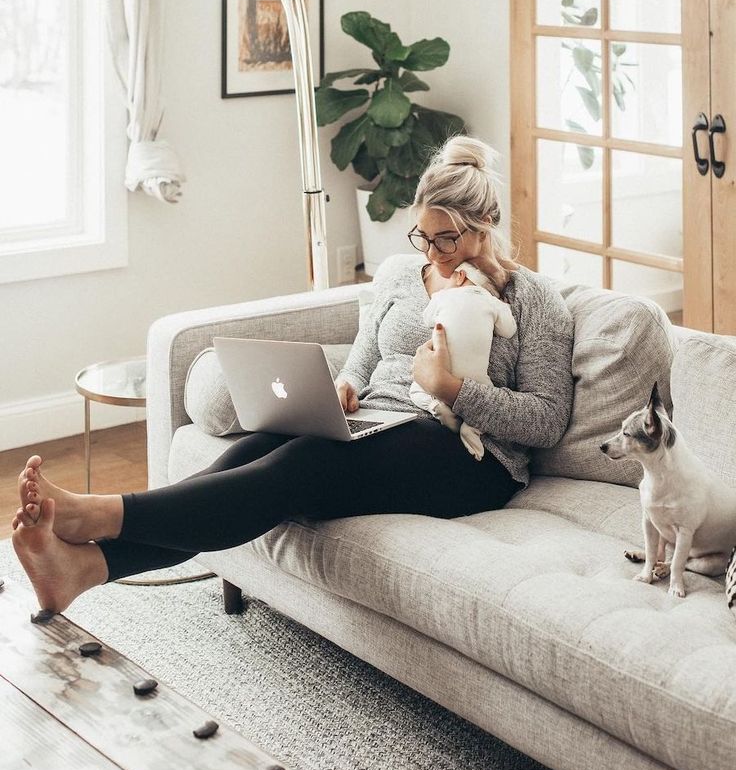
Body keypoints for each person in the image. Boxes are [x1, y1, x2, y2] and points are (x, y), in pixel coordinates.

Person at [11, 135, 574, 616]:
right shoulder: (405, 274)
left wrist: (451, 390)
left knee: (308, 463)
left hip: (470, 458)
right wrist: (346, 384)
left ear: (487, 225)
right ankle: (84, 569)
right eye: (422, 237)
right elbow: (365, 352)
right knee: (247, 453)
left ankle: (99, 513)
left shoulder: (531, 299)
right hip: (379, 422)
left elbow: (546, 420)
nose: (434, 253)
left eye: (447, 239)